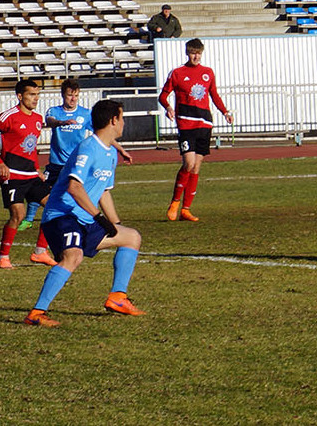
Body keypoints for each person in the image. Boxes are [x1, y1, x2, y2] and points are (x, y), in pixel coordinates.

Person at [24, 99, 145, 326]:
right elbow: (74, 187)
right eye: (122, 118)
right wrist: (99, 217)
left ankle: (118, 298)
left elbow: (103, 192)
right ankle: (36, 313)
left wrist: (115, 223)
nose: (124, 123)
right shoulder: (89, 148)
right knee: (73, 256)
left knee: (131, 237)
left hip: (84, 217)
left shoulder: (110, 153)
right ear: (113, 120)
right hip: (61, 215)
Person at [159, 39, 233, 222]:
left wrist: (225, 112)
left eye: (199, 53)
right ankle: (175, 202)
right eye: (193, 53)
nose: (196, 56)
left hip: (204, 123)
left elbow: (214, 94)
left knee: (197, 167)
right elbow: (163, 95)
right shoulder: (177, 73)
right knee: (189, 163)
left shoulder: (208, 73)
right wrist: (168, 107)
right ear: (187, 53)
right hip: (186, 123)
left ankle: (186, 209)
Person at [0, 79, 55, 269]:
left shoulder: (37, 119)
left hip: (30, 175)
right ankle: (3, 257)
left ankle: (40, 251)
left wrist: (37, 169)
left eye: (37, 94)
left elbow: (30, 148)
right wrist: (0, 164)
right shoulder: (8, 116)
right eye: (31, 94)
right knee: (18, 214)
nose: (36, 98)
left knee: (54, 207)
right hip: (13, 175)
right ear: (20, 96)